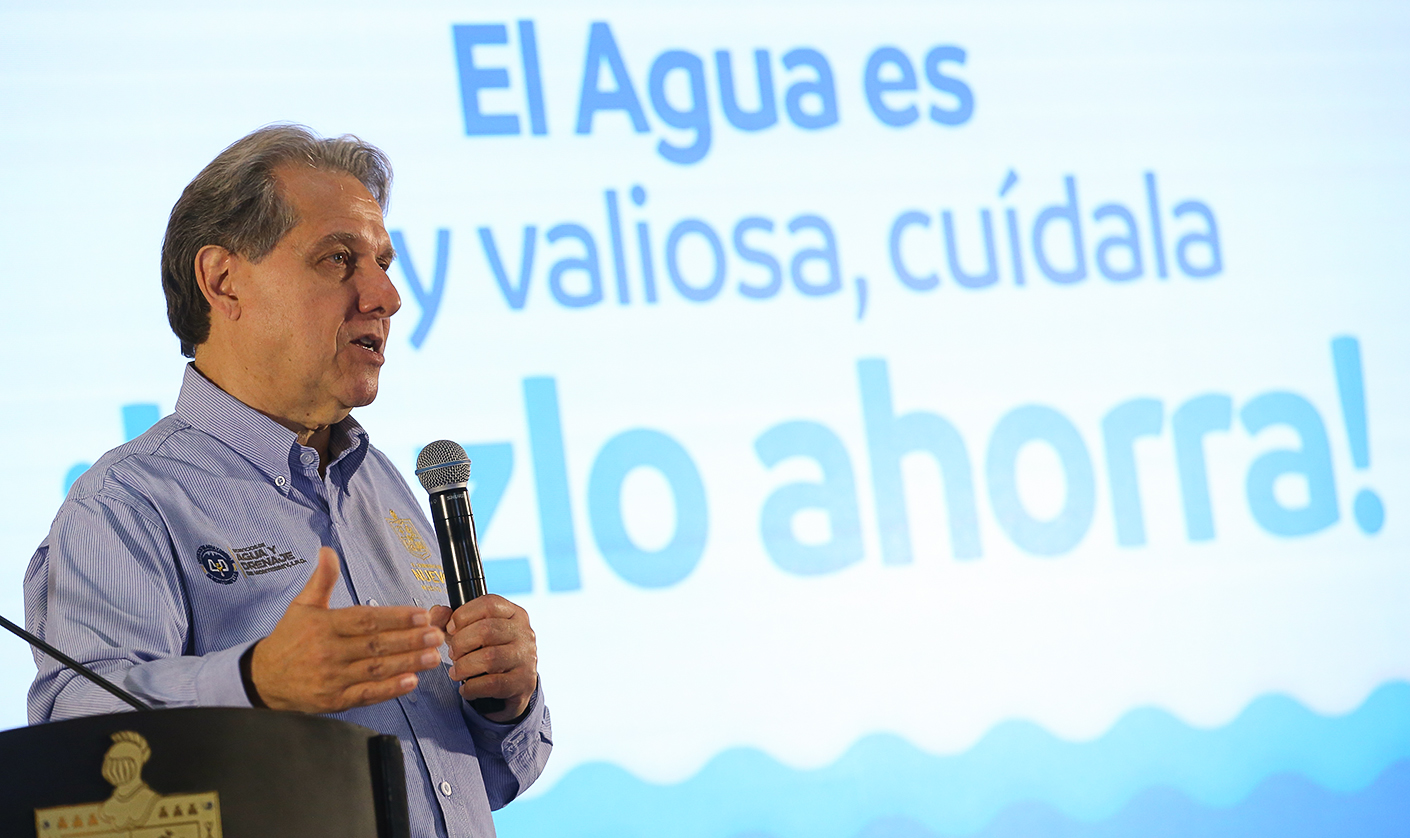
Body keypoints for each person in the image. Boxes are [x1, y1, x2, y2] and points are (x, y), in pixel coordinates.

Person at [23, 124, 551, 838]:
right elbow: (79, 751)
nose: (387, 295)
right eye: (338, 259)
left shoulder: (381, 486)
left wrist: (504, 705)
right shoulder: (128, 505)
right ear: (223, 281)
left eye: (383, 262)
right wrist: (255, 683)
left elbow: (481, 783)